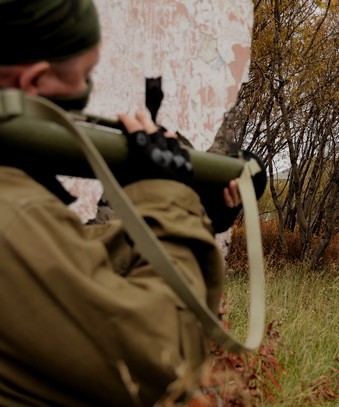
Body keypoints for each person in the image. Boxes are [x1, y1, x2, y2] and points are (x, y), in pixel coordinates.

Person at [0, 1, 242, 405]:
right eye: (85, 76)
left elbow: (67, 261)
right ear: (35, 81)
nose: (86, 92)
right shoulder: (13, 213)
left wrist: (191, 213)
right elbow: (165, 362)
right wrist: (169, 200)